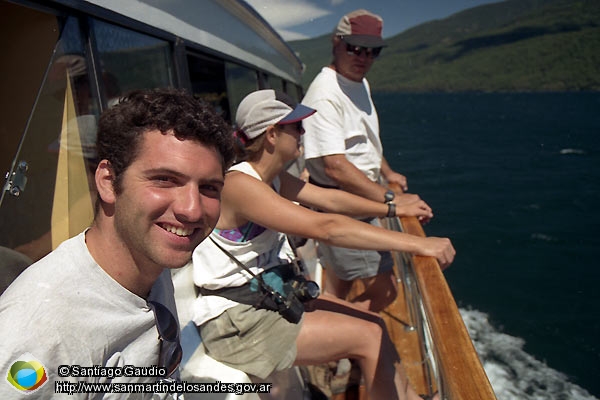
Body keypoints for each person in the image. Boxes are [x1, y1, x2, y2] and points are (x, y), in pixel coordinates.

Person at [192, 89, 454, 399]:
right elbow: (325, 226)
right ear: (273, 134)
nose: (303, 133)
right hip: (238, 322)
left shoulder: (272, 179)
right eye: (297, 127)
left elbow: (330, 199)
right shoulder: (239, 185)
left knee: (374, 323)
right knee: (369, 337)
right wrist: (418, 245)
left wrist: (394, 207)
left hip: (269, 298)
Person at [0, 88, 235, 398]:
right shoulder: (43, 332)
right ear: (108, 182)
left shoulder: (149, 263)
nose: (192, 209)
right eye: (164, 179)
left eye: (208, 188)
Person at [301, 9, 424, 311]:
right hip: (347, 207)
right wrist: (392, 201)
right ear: (336, 43)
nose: (363, 57)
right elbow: (336, 166)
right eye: (355, 48)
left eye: (372, 51)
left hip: (357, 198)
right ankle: (339, 336)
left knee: (340, 280)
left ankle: (332, 334)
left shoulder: (358, 82)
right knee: (386, 292)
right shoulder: (325, 94)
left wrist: (388, 172)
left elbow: (365, 139)